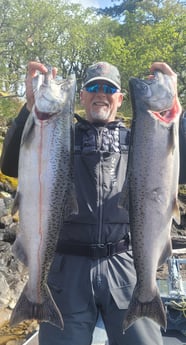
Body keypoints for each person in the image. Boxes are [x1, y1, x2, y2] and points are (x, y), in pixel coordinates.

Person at [0, 61, 186, 345]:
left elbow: (178, 169)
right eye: (93, 87)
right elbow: (11, 164)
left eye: (109, 88)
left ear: (120, 98)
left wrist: (177, 112)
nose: (101, 93)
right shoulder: (57, 134)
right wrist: (28, 108)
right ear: (82, 96)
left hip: (125, 264)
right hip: (65, 269)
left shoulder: (142, 138)